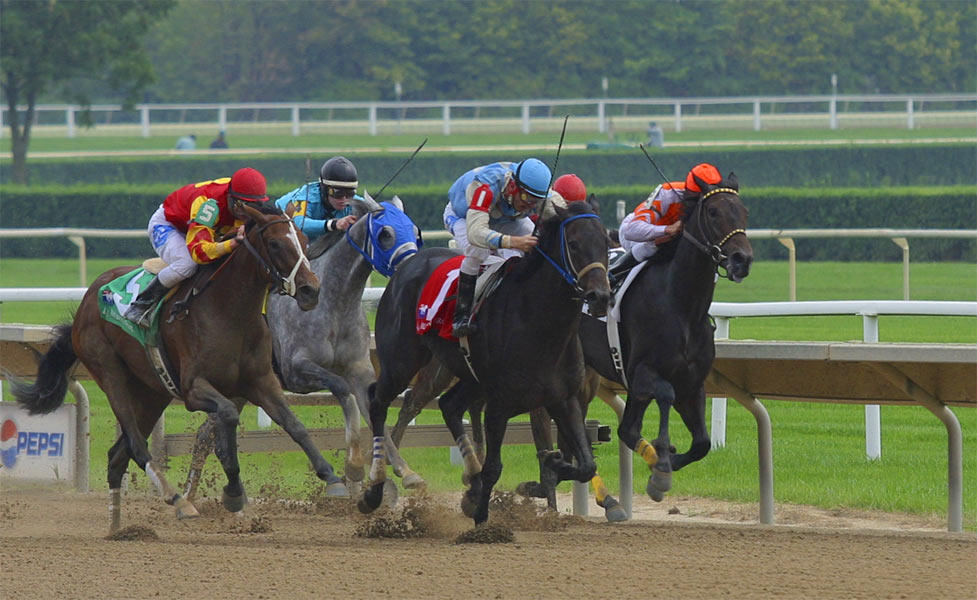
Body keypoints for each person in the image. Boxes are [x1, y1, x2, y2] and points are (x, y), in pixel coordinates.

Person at [125, 167, 270, 326]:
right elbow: (199, 253)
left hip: (209, 228)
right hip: (170, 225)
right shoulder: (208, 204)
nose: (246, 212)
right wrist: (232, 243)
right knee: (187, 264)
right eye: (241, 205)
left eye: (253, 206)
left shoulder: (242, 199)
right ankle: (142, 304)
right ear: (231, 198)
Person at [443, 158, 565, 337]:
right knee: (478, 251)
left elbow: (568, 215)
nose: (530, 205)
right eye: (526, 198)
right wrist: (513, 242)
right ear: (512, 187)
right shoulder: (484, 188)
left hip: (505, 217)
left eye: (536, 202)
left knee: (538, 245)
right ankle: (461, 316)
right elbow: (476, 233)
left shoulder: (541, 197)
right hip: (465, 217)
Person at [608, 162, 722, 285]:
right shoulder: (668, 193)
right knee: (653, 247)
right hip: (636, 236)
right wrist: (667, 229)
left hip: (672, 240)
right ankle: (611, 278)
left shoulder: (716, 201)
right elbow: (632, 231)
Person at [275, 155, 359, 240]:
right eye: (338, 194)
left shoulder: (355, 201)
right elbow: (299, 224)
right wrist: (334, 224)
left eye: (350, 194)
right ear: (325, 190)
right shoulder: (306, 198)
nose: (344, 199)